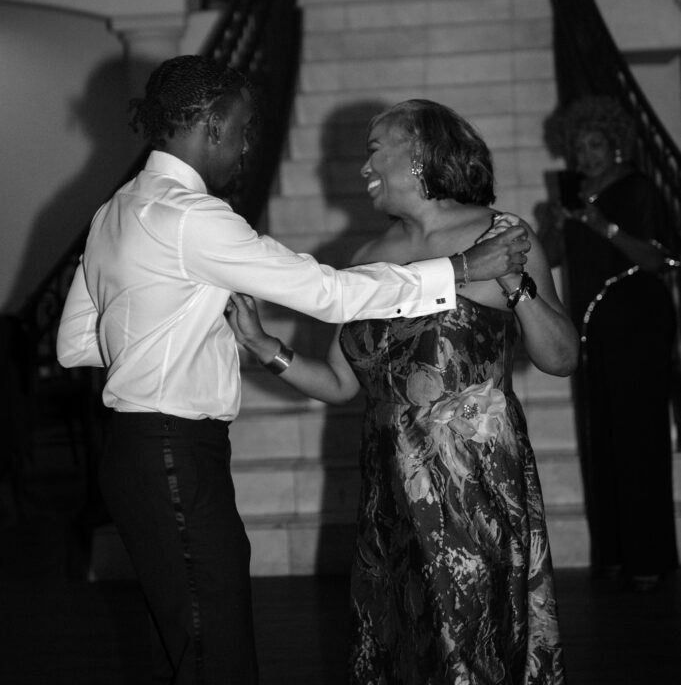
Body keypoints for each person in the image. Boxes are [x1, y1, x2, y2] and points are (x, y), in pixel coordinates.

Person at [55, 59, 530, 685]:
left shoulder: (114, 211)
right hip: (173, 451)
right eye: (247, 129)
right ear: (213, 124)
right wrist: (460, 270)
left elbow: (74, 345)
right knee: (213, 650)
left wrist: (163, 338)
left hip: (134, 452)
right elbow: (329, 295)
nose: (250, 144)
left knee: (181, 639)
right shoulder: (191, 217)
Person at [228, 98, 579, 685]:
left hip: (473, 484)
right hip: (388, 488)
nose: (362, 167)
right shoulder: (368, 259)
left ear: (419, 153)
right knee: (400, 644)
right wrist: (265, 348)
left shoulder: (497, 234)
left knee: (472, 644)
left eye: (374, 150)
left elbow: (562, 357)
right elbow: (343, 382)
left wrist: (517, 285)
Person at [538, 95, 679, 592]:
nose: (586, 155)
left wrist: (603, 225)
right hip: (595, 323)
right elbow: (553, 256)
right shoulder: (577, 195)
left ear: (615, 144)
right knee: (605, 437)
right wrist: (557, 226)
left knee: (640, 436)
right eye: (579, 147)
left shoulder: (636, 187)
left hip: (638, 317)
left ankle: (651, 556)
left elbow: (660, 260)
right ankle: (616, 554)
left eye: (595, 144)